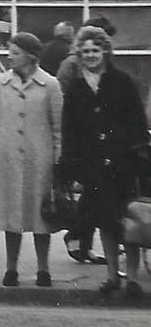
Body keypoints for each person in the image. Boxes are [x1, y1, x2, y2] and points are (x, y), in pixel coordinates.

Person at [59, 25, 150, 299]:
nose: (90, 56)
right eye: (85, 51)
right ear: (79, 54)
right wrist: (71, 164)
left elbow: (136, 120)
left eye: (95, 51)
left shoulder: (122, 81)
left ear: (105, 51)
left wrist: (139, 153)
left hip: (123, 164)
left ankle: (132, 277)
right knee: (105, 222)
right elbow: (69, 128)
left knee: (127, 220)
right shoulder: (76, 88)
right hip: (92, 166)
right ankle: (112, 275)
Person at [0, 32, 62, 288]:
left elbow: (58, 127)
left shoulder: (50, 85)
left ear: (29, 56)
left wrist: (58, 160)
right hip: (8, 161)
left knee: (41, 218)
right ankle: (11, 268)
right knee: (11, 216)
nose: (9, 56)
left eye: (14, 52)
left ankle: (43, 268)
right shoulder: (1, 83)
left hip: (40, 160)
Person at [55, 16, 117, 265]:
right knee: (94, 195)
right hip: (82, 144)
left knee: (96, 196)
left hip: (104, 145)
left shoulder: (107, 67)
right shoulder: (71, 65)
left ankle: (82, 240)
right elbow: (63, 102)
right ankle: (80, 238)